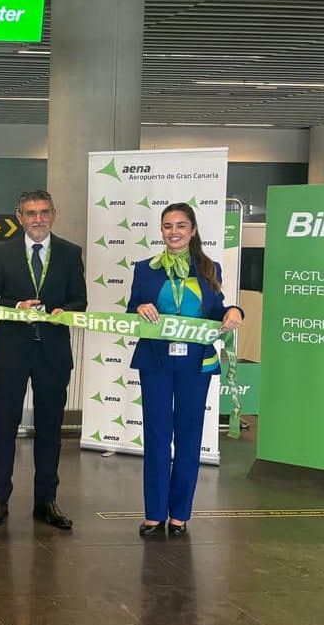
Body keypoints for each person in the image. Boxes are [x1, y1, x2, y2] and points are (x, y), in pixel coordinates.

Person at [128, 203, 242, 538]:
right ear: (161, 231)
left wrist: (235, 310)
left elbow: (218, 309)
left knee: (189, 438)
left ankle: (180, 515)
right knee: (157, 437)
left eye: (180, 225)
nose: (173, 232)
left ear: (192, 230)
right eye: (167, 226)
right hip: (156, 363)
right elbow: (131, 305)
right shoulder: (145, 268)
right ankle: (154, 513)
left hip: (196, 364)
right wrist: (140, 306)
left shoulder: (210, 267)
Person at [0, 190, 87, 530]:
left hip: (52, 354)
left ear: (53, 214)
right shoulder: (2, 254)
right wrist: (14, 308)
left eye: (43, 212)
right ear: (19, 217)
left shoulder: (70, 254)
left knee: (50, 431)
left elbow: (79, 301)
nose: (37, 219)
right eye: (30, 213)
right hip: (11, 353)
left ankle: (46, 500)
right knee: (4, 428)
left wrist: (62, 311)